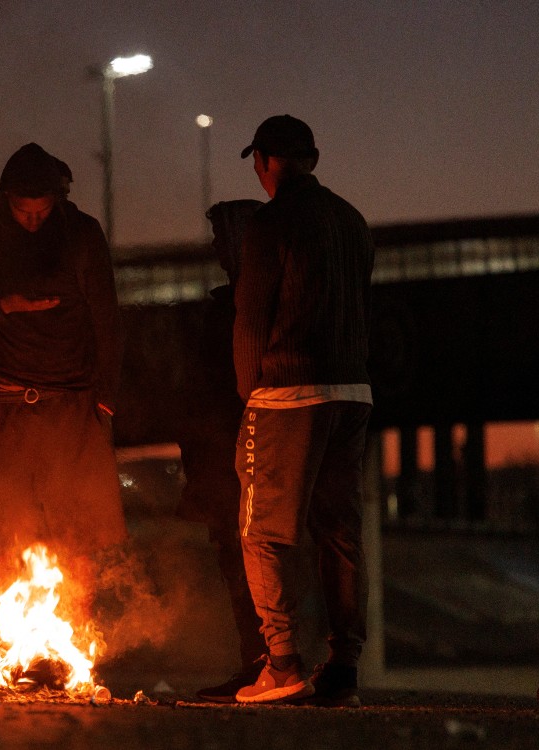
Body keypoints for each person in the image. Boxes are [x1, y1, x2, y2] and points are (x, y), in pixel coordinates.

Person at [0, 142, 125, 595]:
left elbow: (109, 322)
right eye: (23, 211)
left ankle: (76, 656)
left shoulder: (81, 234)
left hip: (73, 407)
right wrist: (3, 306)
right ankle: (6, 651)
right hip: (2, 407)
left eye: (42, 211)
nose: (33, 220)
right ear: (5, 198)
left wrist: (106, 401)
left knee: (78, 541)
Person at [231, 115, 375, 706]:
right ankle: (342, 667)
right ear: (312, 159)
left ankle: (283, 661)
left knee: (261, 529)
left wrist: (250, 392)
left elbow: (252, 316)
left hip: (289, 394)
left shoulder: (270, 224)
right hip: (353, 393)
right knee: (338, 530)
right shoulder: (352, 221)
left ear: (265, 162)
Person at [174, 199, 267, 702]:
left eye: (221, 236)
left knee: (252, 556)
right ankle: (259, 661)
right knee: (235, 558)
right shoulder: (226, 306)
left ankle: (271, 662)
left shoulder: (255, 306)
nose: (214, 247)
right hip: (219, 463)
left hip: (244, 458)